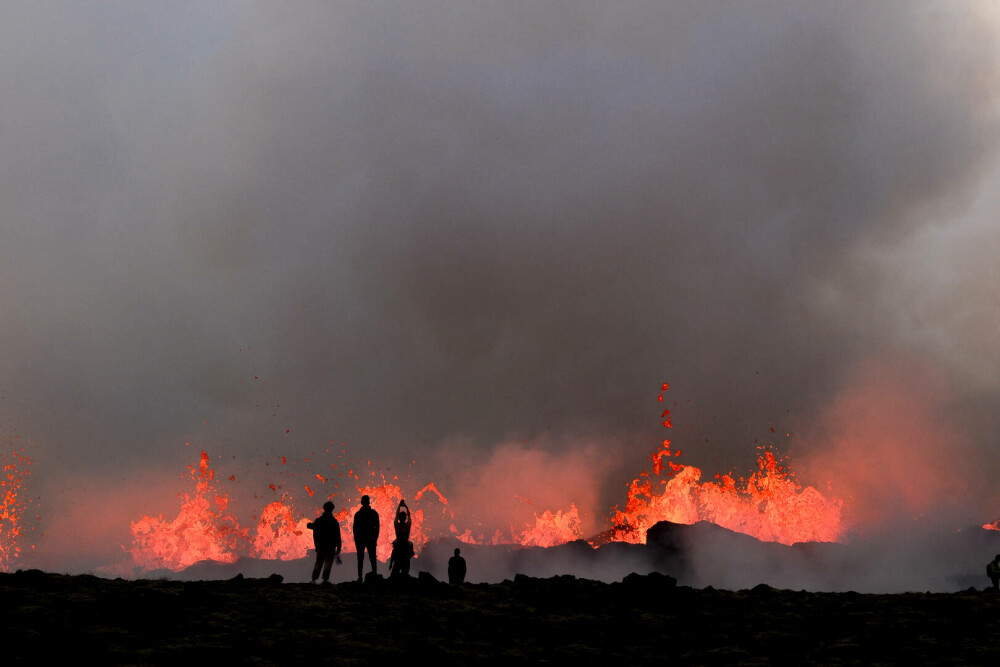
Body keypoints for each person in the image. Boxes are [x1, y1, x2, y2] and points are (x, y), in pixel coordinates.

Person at [306, 501, 341, 584]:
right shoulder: (334, 521)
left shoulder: (319, 521)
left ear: (324, 509)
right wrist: (338, 546)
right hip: (330, 546)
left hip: (321, 546)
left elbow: (315, 534)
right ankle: (325, 580)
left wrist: (317, 545)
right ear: (332, 509)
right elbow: (337, 535)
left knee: (319, 562)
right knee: (328, 563)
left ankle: (314, 579)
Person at [353, 494, 380, 582]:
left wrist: (356, 540)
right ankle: (374, 575)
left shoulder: (358, 514)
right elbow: (377, 527)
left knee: (361, 559)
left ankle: (360, 577)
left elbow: (355, 529)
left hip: (362, 539)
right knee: (372, 558)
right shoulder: (373, 513)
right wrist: (375, 538)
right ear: (368, 502)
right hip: (369, 539)